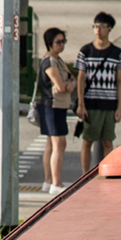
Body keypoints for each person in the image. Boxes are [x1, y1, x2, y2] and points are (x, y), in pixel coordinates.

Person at [75, 12, 121, 171]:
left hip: (109, 104)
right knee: (87, 140)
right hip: (91, 103)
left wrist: (119, 108)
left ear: (109, 28)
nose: (98, 30)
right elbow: (81, 79)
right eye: (96, 26)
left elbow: (119, 81)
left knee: (108, 141)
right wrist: (81, 104)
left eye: (102, 26)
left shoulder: (117, 53)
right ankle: (84, 174)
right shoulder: (86, 51)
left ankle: (106, 172)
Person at [38, 27, 76, 196]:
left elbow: (71, 78)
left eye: (63, 41)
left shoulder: (58, 60)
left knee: (51, 144)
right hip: (52, 106)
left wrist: (70, 84)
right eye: (58, 42)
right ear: (49, 44)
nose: (62, 45)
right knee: (59, 143)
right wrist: (69, 86)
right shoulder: (49, 62)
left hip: (59, 106)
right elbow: (61, 86)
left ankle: (48, 181)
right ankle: (56, 183)